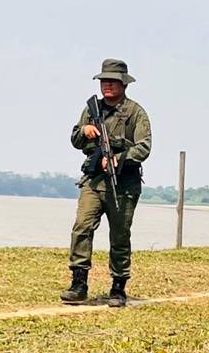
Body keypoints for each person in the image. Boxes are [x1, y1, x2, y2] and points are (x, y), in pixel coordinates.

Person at [62, 59, 152, 307]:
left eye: (112, 81)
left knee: (120, 235)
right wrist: (85, 131)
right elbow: (75, 139)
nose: (107, 85)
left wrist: (117, 159)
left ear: (124, 84)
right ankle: (78, 283)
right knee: (82, 227)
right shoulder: (91, 109)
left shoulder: (135, 112)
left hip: (123, 185)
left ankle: (118, 287)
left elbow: (144, 147)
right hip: (93, 181)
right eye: (104, 81)